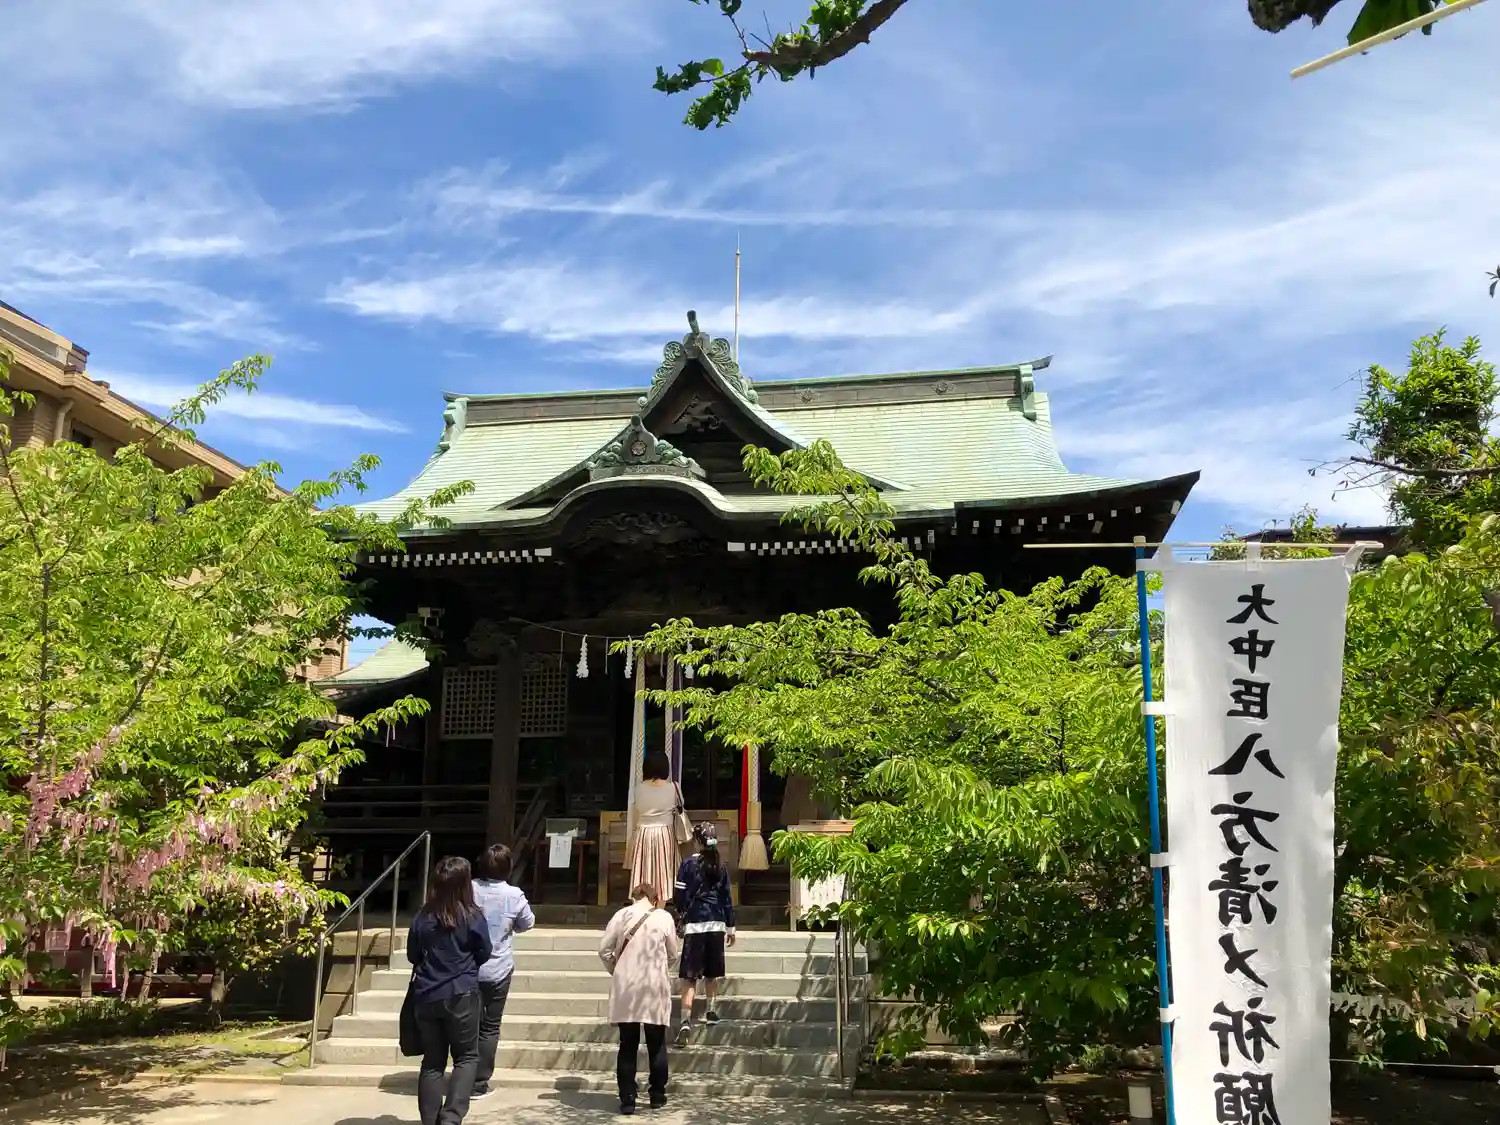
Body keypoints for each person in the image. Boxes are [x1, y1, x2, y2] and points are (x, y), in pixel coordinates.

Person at [406, 856, 493, 1125]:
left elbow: (412, 955)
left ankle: (430, 1120)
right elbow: (485, 951)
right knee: (466, 1057)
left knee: (432, 1062)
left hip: (427, 993)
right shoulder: (472, 916)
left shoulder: (423, 916)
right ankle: (451, 1117)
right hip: (461, 992)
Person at [599, 883, 679, 1116]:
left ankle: (628, 1098)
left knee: (627, 1043)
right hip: (654, 985)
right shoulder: (664, 917)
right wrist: (661, 967)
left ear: (633, 897)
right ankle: (657, 1094)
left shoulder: (621, 915)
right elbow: (673, 953)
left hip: (627, 985)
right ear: (654, 899)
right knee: (657, 1043)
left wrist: (617, 969)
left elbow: (604, 950)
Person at [470, 842, 535, 1099]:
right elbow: (527, 922)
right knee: (490, 1026)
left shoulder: (469, 889)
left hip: (469, 967)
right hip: (498, 966)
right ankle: (479, 1082)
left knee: (469, 1024)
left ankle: (463, 1075)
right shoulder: (514, 894)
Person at [672, 821, 735, 1044]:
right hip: (716, 923)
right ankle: (710, 1011)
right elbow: (726, 899)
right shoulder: (721, 866)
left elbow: (679, 896)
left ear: (698, 841)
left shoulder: (688, 864)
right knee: (711, 973)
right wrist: (731, 927)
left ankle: (685, 1020)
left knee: (689, 976)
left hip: (695, 923)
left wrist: (681, 914)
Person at [626, 748, 679, 908]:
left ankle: (641, 910)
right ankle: (659, 911)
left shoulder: (639, 788)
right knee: (663, 874)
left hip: (643, 832)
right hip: (664, 833)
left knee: (643, 871)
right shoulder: (673, 788)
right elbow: (679, 807)